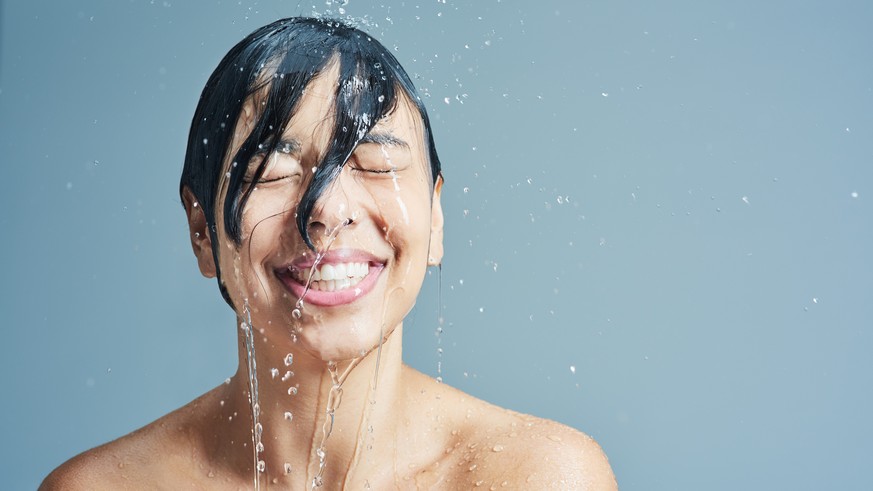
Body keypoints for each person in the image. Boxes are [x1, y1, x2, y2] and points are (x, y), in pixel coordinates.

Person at [41, 17, 616, 490]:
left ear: (436, 218)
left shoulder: (534, 476)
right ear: (201, 231)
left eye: (376, 163)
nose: (327, 208)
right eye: (273, 168)